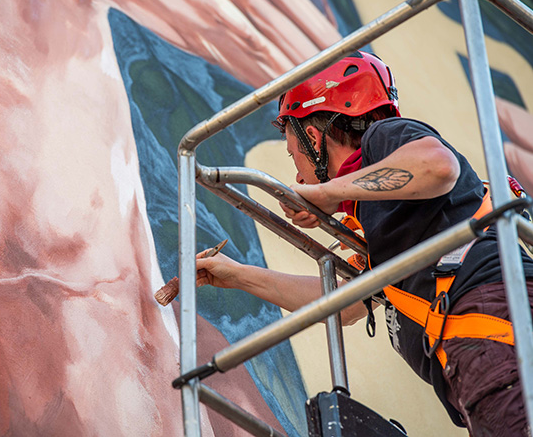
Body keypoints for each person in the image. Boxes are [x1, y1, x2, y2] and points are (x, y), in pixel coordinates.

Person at [195, 51, 533, 436]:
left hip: (494, 335)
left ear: (312, 137)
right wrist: (237, 276)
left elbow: (439, 167)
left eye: (294, 155)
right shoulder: (388, 221)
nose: (297, 173)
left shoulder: (384, 137)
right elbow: (342, 305)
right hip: (484, 348)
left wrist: (326, 192)